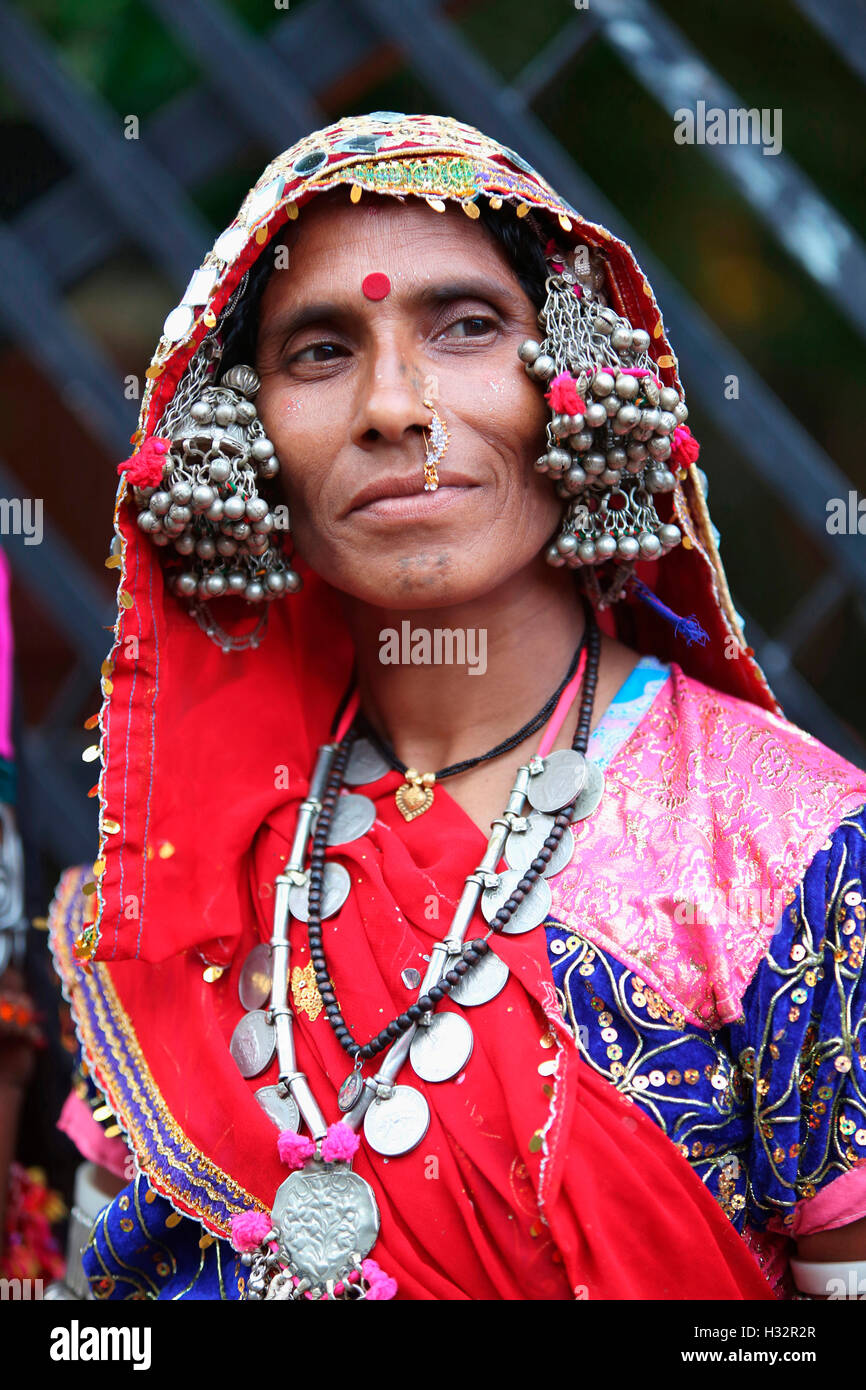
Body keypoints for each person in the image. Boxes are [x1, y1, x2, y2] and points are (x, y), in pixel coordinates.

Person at [47, 113, 866, 1302]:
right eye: (320, 351)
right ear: (246, 443)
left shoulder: (787, 850)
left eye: (465, 327)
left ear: (577, 382)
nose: (392, 405)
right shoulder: (179, 876)